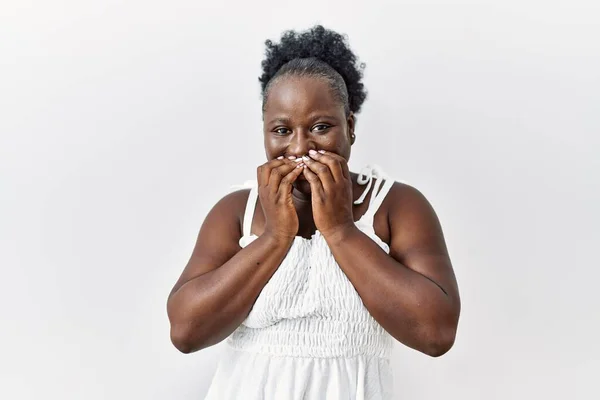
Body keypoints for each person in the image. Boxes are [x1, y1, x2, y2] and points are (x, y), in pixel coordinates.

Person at [166, 25, 461, 399]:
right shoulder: (235, 211)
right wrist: (275, 238)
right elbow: (185, 333)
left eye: (320, 127)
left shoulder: (397, 207)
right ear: (264, 133)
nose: (300, 147)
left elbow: (436, 334)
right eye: (282, 130)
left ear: (350, 127)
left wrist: (341, 231)